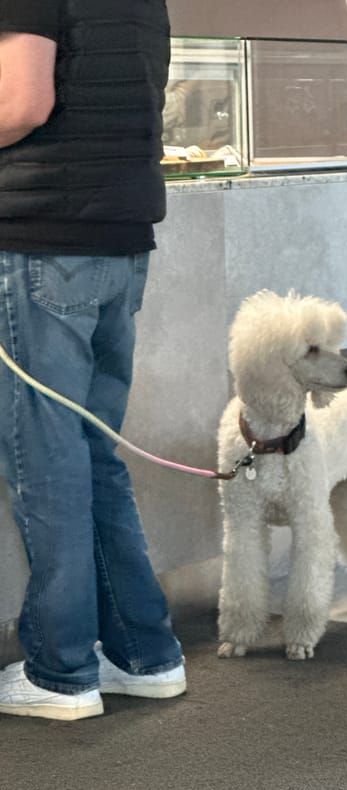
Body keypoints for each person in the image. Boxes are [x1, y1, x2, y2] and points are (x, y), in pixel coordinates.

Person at [0, 2, 186, 720]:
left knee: (46, 461)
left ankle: (61, 672)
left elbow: (21, 100)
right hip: (119, 237)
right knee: (91, 453)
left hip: (41, 238)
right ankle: (145, 655)